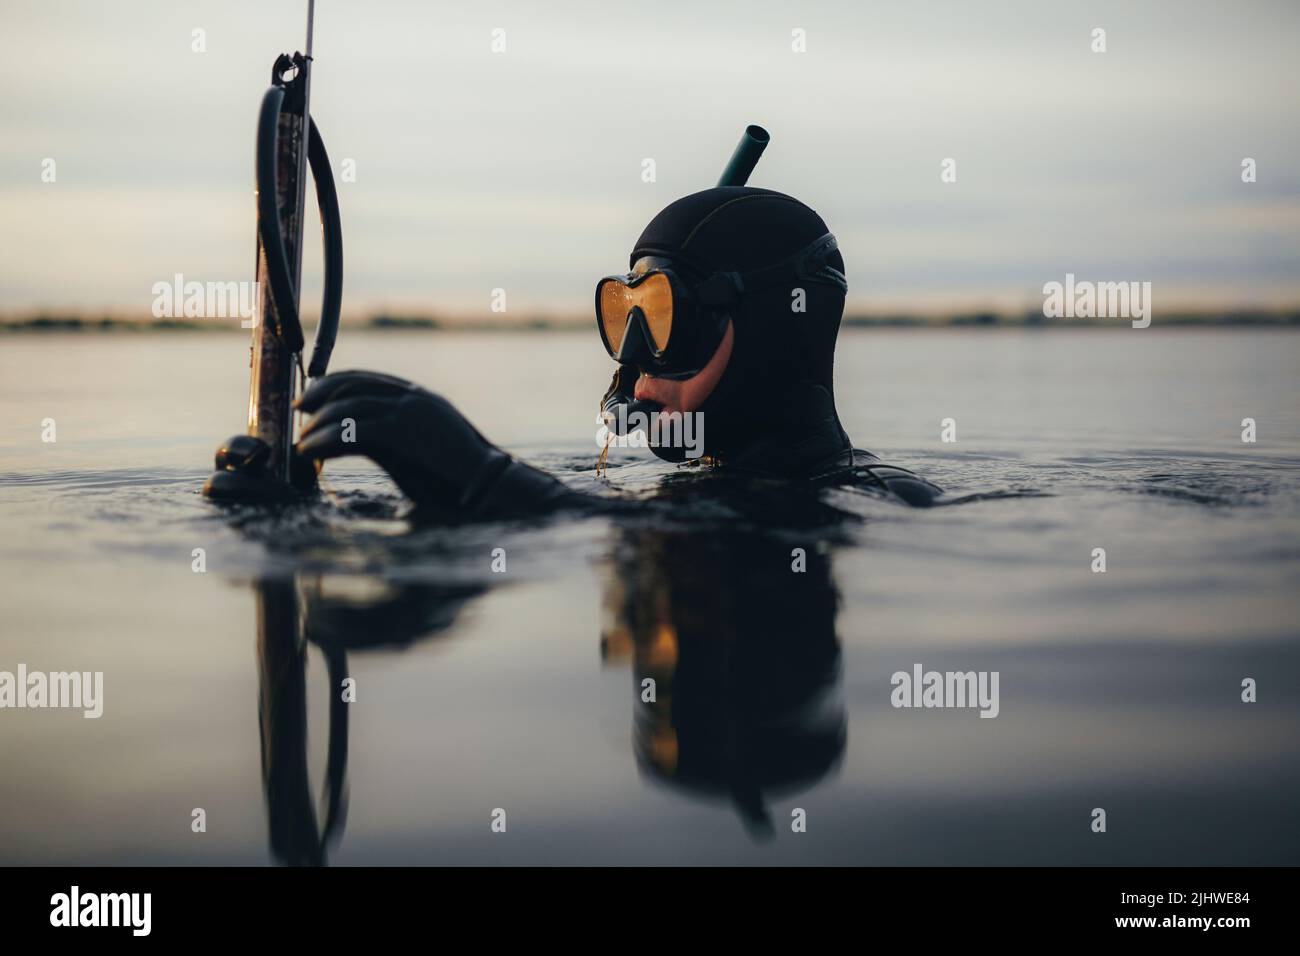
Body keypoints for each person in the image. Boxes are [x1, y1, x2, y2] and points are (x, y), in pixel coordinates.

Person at [211, 186, 942, 514]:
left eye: (665, 320)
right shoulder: (697, 493)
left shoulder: (875, 500)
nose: (636, 360)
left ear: (774, 339)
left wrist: (489, 483)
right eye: (626, 313)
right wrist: (310, 513)